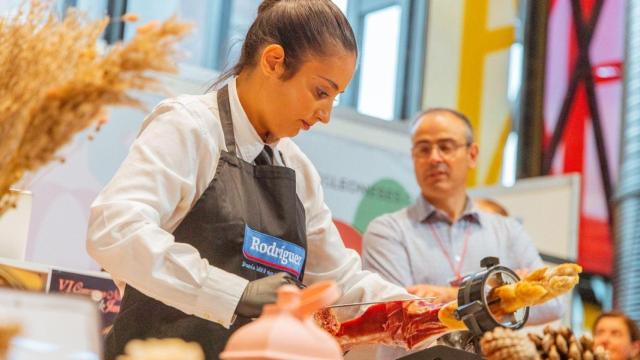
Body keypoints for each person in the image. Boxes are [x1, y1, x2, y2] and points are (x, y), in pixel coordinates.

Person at [86, 1, 412, 359]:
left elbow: (343, 284)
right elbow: (115, 229)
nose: (325, 115)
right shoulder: (189, 127)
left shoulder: (298, 169)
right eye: (321, 92)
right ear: (273, 61)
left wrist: (436, 317)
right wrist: (235, 294)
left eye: (335, 99)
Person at [362, 108, 563, 358]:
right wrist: (506, 294)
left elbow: (552, 303)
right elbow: (400, 313)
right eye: (423, 149)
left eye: (446, 147)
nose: (435, 158)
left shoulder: (507, 231)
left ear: (472, 154)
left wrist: (449, 295)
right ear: (413, 157)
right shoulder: (388, 230)